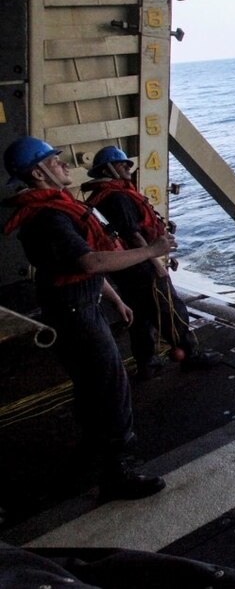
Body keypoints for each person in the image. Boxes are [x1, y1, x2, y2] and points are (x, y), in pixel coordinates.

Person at [3, 137, 172, 500]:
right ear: (39, 172)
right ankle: (118, 474)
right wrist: (151, 251)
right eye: (55, 161)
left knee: (93, 385)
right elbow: (90, 262)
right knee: (112, 389)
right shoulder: (48, 217)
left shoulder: (55, 208)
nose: (64, 165)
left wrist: (112, 298)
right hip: (76, 313)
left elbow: (79, 267)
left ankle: (94, 451)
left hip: (79, 303)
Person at [82, 146, 221, 377]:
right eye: (122, 164)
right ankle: (192, 355)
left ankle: (147, 362)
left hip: (123, 268)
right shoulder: (116, 197)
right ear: (109, 169)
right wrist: (156, 262)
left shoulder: (101, 197)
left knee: (141, 315)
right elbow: (131, 233)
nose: (128, 167)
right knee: (171, 309)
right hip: (140, 265)